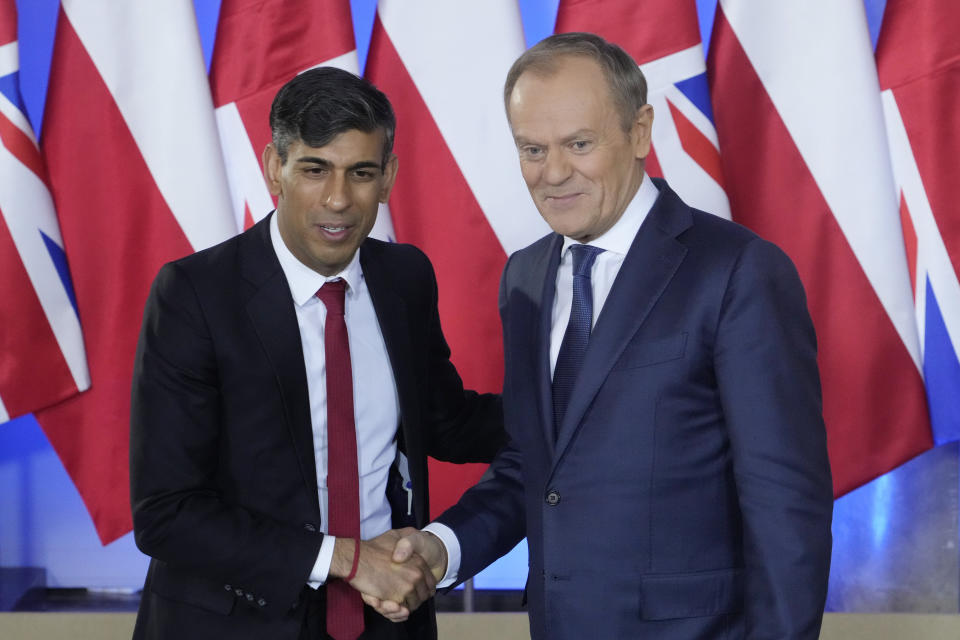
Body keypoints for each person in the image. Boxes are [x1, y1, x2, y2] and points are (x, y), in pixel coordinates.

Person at [381, 32, 834, 639]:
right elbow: (536, 464)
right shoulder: (526, 277)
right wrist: (444, 548)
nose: (554, 172)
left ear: (641, 131)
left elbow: (785, 505)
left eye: (579, 144)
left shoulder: (737, 271)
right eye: (532, 149)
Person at [129, 67, 505, 640]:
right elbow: (166, 512)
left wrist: (574, 401)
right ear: (274, 168)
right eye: (314, 169)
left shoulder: (405, 277)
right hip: (236, 624)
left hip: (389, 620)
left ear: (388, 177)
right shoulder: (195, 294)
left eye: (360, 173)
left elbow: (445, 424)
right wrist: (348, 559)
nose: (338, 198)